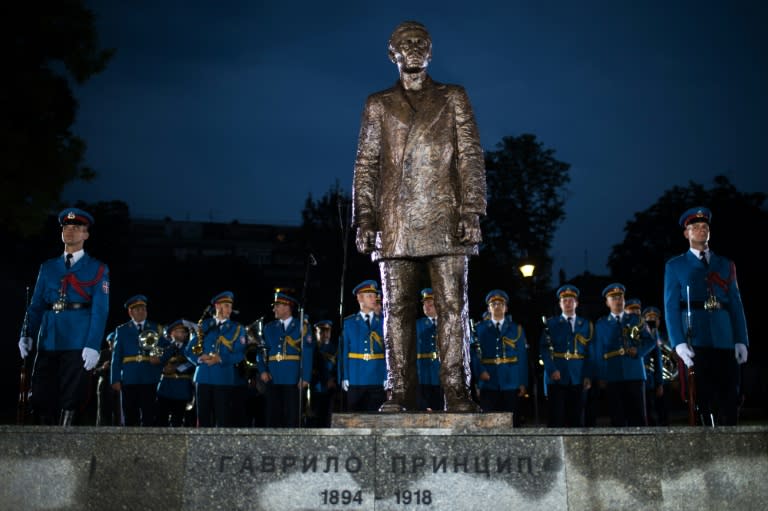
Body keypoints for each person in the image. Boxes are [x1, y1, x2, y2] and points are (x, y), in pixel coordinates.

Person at [352, 21, 486, 413]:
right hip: (395, 222)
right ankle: (398, 390)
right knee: (396, 310)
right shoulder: (378, 103)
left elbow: (471, 157)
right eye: (405, 43)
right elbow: (366, 165)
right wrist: (364, 217)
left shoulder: (452, 96)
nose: (414, 48)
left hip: (446, 215)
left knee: (452, 307)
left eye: (421, 43)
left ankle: (457, 389)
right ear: (392, 53)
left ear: (431, 52)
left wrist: (472, 209)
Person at [18, 207, 110, 426]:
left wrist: (93, 344)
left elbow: (100, 309)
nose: (70, 231)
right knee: (40, 394)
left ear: (86, 234)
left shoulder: (97, 268)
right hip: (48, 337)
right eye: (66, 227)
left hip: (78, 338)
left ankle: (65, 442)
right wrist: (27, 333)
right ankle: (42, 443)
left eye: (77, 228)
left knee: (72, 396)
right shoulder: (48, 267)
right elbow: (37, 304)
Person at [663, 207, 749, 426]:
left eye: (705, 227)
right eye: (695, 228)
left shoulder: (725, 264)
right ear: (686, 234)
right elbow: (671, 307)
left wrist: (741, 340)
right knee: (701, 397)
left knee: (730, 396)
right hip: (696, 338)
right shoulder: (675, 266)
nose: (701, 231)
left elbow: (736, 305)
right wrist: (678, 342)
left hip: (724, 337)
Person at [594, 283, 656, 427]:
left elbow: (651, 341)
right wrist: (601, 376)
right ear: (607, 302)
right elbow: (598, 352)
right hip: (612, 375)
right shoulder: (601, 324)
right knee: (617, 418)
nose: (618, 300)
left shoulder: (636, 320)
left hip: (635, 373)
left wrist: (638, 351)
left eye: (620, 296)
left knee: (639, 417)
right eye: (613, 297)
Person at [184, 291, 247, 427]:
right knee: (203, 418)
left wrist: (220, 359)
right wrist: (199, 358)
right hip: (203, 376)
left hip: (223, 378)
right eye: (226, 306)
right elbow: (188, 350)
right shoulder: (204, 325)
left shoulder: (237, 328)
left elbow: (240, 354)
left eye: (230, 306)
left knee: (222, 417)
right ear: (217, 306)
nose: (229, 310)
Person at [257, 291, 314, 427]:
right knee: (273, 415)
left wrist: (305, 377)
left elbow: (308, 352)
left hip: (293, 378)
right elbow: (261, 350)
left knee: (291, 415)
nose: (274, 309)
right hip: (272, 377)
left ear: (287, 307)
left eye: (277, 306)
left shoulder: (301, 326)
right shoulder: (269, 328)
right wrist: (262, 370)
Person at [471, 290, 528, 424]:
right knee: (489, 420)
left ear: (506, 308)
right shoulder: (479, 329)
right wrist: (480, 374)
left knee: (512, 420)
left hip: (511, 380)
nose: (497, 306)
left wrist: (523, 382)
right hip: (488, 380)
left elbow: (522, 358)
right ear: (488, 308)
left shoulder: (516, 329)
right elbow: (473, 355)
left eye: (500, 304)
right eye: (493, 304)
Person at [539, 284, 593, 428]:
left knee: (577, 419)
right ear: (560, 304)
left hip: (578, 376)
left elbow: (589, 352)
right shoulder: (551, 323)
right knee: (556, 418)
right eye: (564, 300)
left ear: (577, 303)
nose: (568, 303)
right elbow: (544, 349)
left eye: (571, 300)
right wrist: (551, 370)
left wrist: (588, 375)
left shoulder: (587, 324)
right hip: (557, 375)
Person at [110, 295, 164, 426]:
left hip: (150, 375)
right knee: (130, 414)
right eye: (137, 309)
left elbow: (164, 348)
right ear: (130, 312)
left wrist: (159, 357)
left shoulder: (156, 328)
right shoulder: (121, 330)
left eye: (143, 309)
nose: (141, 311)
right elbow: (116, 356)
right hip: (129, 377)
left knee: (149, 414)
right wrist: (115, 378)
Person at [339, 280, 387, 412]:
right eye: (369, 296)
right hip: (356, 377)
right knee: (354, 416)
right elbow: (344, 352)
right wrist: (345, 376)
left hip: (376, 377)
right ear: (360, 298)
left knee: (375, 417)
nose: (374, 299)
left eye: (374, 295)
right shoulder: (349, 323)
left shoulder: (383, 322)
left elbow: (387, 353)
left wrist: (386, 375)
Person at [155, 319, 196, 427]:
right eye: (179, 331)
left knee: (177, 420)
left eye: (184, 332)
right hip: (165, 388)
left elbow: (192, 363)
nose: (183, 334)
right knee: (161, 419)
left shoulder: (190, 347)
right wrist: (163, 368)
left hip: (181, 388)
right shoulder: (165, 346)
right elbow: (157, 361)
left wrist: (177, 369)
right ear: (171, 333)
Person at [415, 288, 443, 411]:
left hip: (441, 373)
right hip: (423, 373)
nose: (427, 305)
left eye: (431, 303)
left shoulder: (446, 323)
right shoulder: (417, 325)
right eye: (425, 303)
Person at [642, 306, 669, 426]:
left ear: (659, 320)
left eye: (655, 318)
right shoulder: (641, 336)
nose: (652, 320)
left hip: (665, 379)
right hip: (647, 377)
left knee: (664, 409)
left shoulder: (666, 337)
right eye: (649, 318)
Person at [309, 319, 338, 427]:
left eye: (327, 331)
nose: (325, 334)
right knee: (312, 416)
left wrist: (333, 380)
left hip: (329, 388)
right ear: (316, 332)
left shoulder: (335, 348)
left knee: (327, 417)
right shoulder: (311, 348)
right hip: (314, 386)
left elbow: (338, 367)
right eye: (321, 332)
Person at [95, 331, 121, 426]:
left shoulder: (121, 354)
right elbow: (95, 371)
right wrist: (103, 367)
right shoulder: (103, 353)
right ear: (108, 342)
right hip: (104, 386)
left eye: (116, 340)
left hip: (118, 387)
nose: (114, 343)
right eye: (112, 341)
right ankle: (101, 432)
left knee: (118, 412)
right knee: (103, 411)